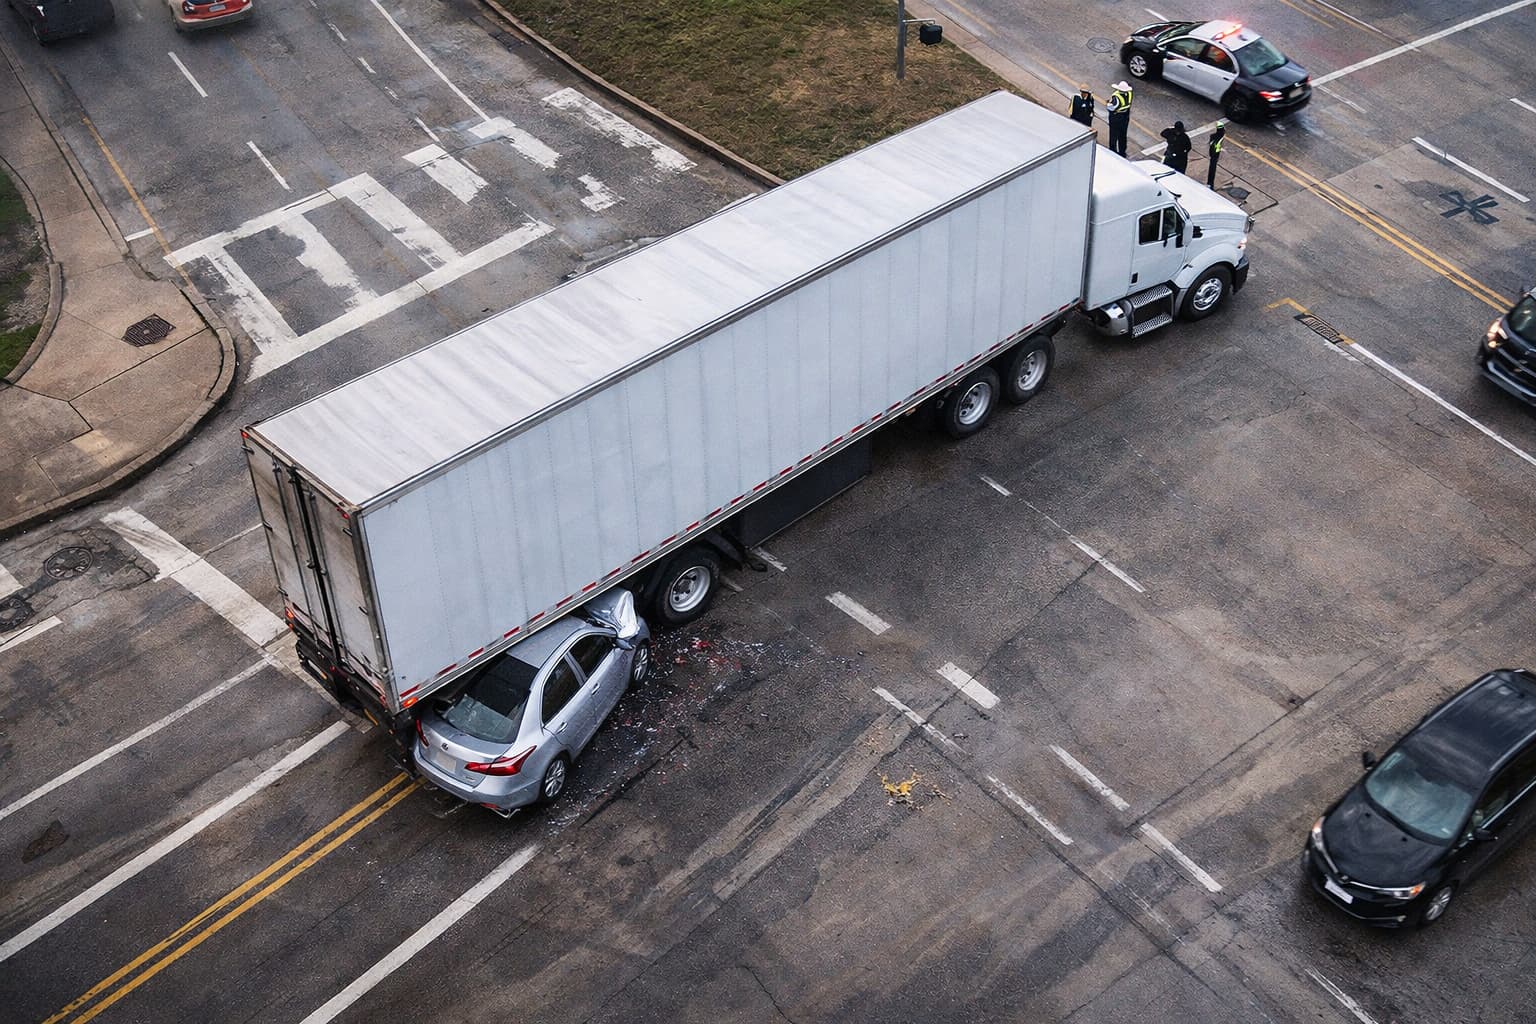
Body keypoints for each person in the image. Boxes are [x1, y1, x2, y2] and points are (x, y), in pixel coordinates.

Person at [1106, 81, 1133, 156]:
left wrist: (1108, 104)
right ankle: (1122, 152)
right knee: (1123, 135)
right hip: (1125, 116)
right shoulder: (1129, 93)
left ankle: (1112, 152)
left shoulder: (1116, 97)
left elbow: (1111, 108)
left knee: (1113, 135)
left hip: (1116, 117)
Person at [1207, 121, 1227, 188]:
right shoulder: (1221, 136)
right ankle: (1210, 183)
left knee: (1212, 168)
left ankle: (1210, 183)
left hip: (1213, 154)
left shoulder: (1213, 136)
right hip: (1215, 155)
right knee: (1212, 169)